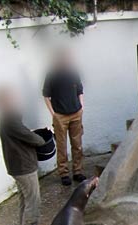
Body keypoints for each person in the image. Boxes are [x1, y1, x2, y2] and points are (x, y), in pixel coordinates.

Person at [0, 86, 46, 225]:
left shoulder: (6, 118)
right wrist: (41, 139)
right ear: (3, 101)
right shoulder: (9, 119)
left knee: (25, 203)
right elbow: (32, 138)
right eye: (10, 97)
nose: (14, 99)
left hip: (18, 166)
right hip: (24, 167)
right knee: (33, 203)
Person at [43, 49, 85, 186]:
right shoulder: (51, 75)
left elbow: (80, 91)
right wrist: (53, 114)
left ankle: (77, 171)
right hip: (60, 115)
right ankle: (64, 174)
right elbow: (46, 96)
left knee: (77, 145)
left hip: (76, 113)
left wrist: (82, 107)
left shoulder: (74, 73)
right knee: (62, 146)